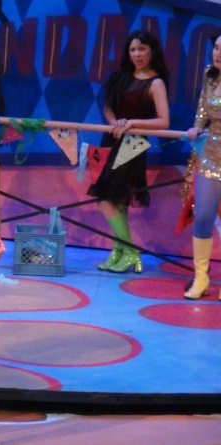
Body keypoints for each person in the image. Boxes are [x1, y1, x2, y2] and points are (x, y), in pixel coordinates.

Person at [88, 30, 170, 273]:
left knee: (105, 199)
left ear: (152, 51)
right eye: (133, 49)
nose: (137, 54)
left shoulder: (156, 83)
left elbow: (164, 121)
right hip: (110, 141)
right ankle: (119, 252)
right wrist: (114, 121)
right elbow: (108, 106)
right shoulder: (120, 77)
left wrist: (132, 123)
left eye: (142, 49)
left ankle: (131, 252)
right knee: (117, 202)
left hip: (132, 147)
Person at [184, 31, 221, 299]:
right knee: (204, 216)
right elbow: (203, 110)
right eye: (217, 47)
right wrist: (197, 126)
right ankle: (200, 278)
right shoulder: (210, 76)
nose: (219, 54)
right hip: (212, 154)